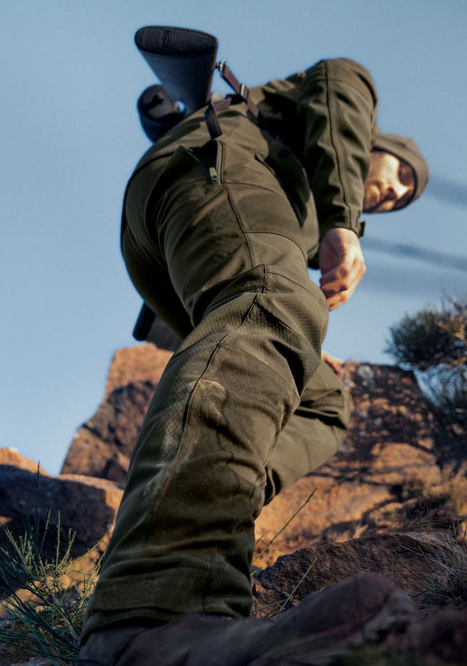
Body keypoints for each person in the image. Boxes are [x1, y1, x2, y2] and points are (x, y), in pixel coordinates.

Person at [78, 55, 429, 664]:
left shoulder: (299, 204)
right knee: (277, 300)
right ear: (373, 144)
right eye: (401, 173)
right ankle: (154, 612)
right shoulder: (339, 107)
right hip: (209, 167)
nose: (396, 192)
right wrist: (343, 223)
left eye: (402, 199)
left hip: (175, 239)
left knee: (324, 401)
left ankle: (207, 519)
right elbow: (339, 87)